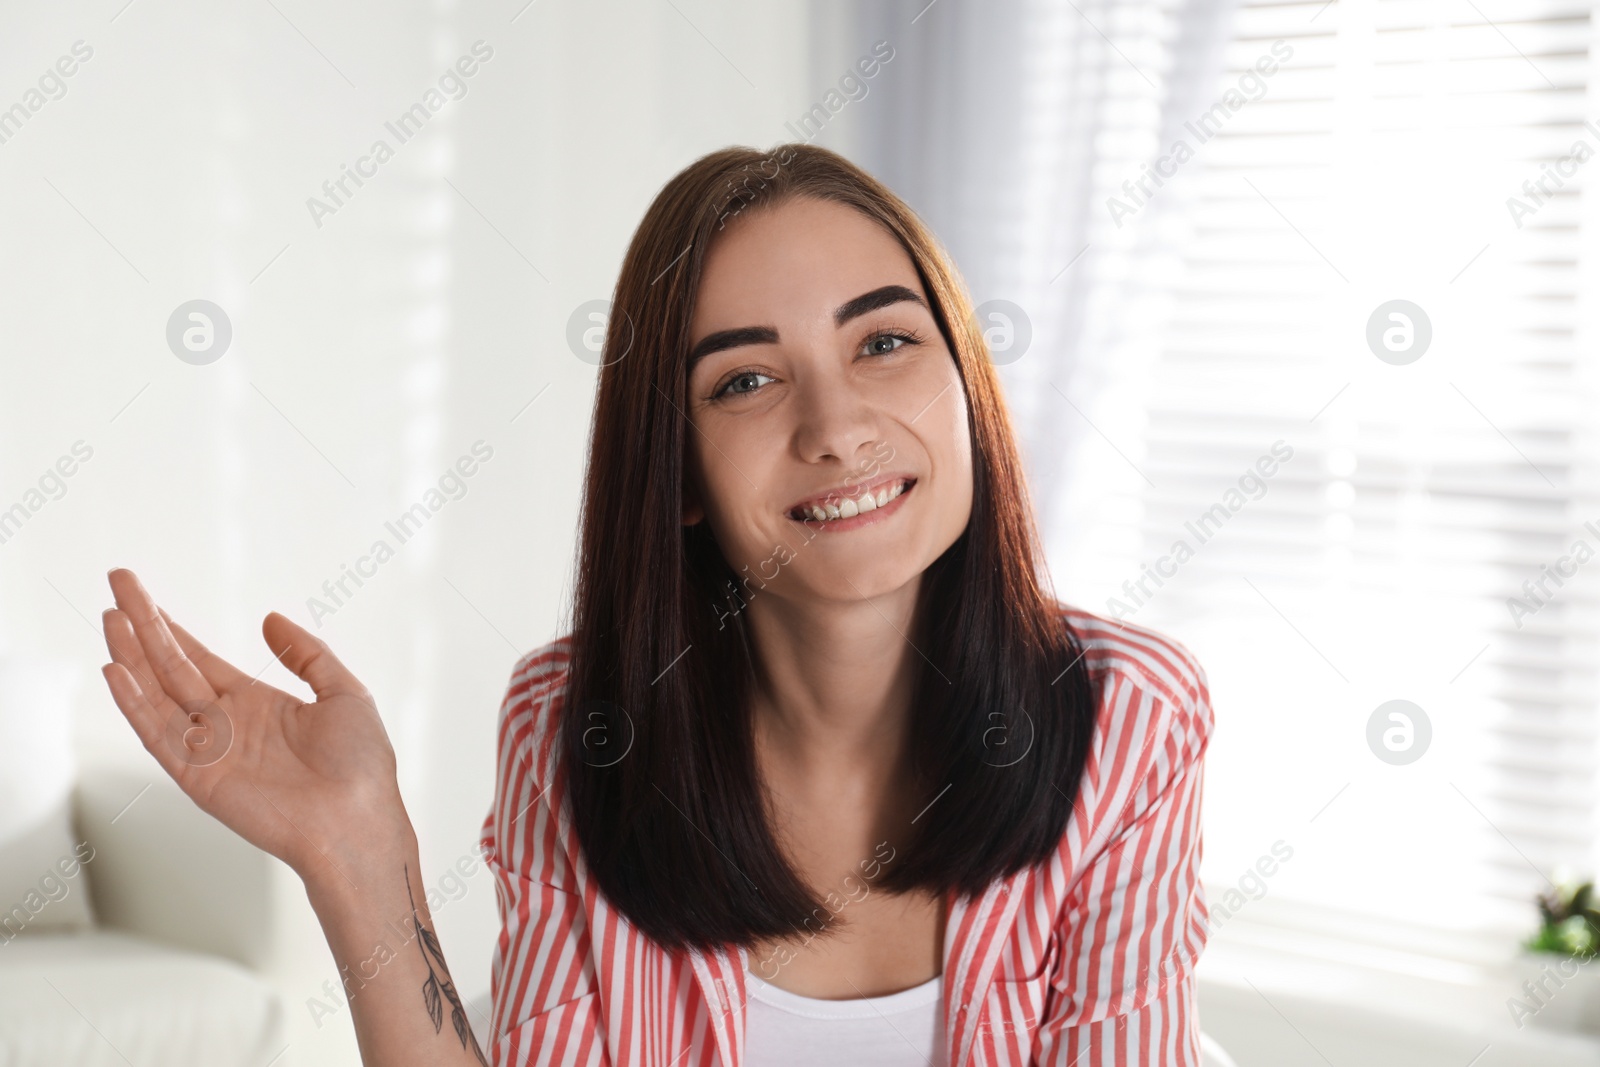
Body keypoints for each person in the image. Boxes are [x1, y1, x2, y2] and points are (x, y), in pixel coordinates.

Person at [98, 142, 1213, 1067]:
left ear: (968, 380)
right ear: (674, 474)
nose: (835, 424)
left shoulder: (1130, 718)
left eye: (884, 341)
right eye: (745, 379)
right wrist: (354, 850)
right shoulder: (573, 722)